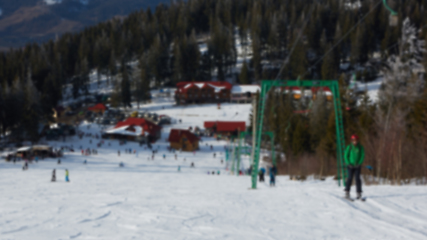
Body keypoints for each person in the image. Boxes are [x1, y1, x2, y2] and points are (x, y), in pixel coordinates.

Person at [344, 134, 365, 200]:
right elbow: (345, 156)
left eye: (356, 140)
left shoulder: (360, 147)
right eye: (353, 141)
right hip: (350, 166)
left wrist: (359, 163)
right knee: (349, 178)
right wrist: (348, 163)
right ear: (352, 141)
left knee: (357, 179)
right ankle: (347, 192)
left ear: (357, 141)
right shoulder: (349, 147)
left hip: (357, 166)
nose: (355, 142)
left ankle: (359, 193)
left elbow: (362, 156)